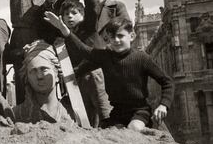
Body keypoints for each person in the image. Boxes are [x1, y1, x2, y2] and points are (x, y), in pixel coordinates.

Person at [44, 13, 175, 131]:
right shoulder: (106, 56)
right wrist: (65, 31)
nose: (116, 40)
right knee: (109, 134)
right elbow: (83, 50)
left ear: (132, 36)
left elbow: (167, 81)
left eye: (120, 36)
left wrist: (164, 105)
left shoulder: (141, 58)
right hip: (117, 112)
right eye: (112, 37)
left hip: (139, 111)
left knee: (134, 128)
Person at [13, 40, 72, 123]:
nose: (39, 76)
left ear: (56, 73)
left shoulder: (72, 114)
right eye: (33, 71)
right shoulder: (16, 114)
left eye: (44, 69)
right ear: (27, 77)